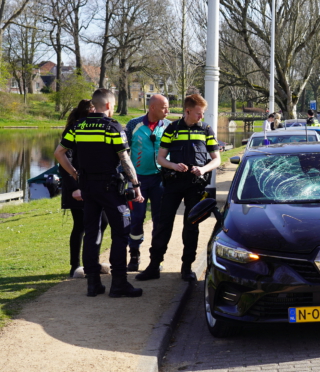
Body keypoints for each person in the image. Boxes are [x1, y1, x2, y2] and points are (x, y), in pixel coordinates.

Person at [54, 88, 144, 298]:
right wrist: (136, 184)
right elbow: (124, 158)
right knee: (121, 232)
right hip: (110, 188)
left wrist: (74, 173)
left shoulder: (78, 126)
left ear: (94, 105)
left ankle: (93, 284)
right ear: (110, 106)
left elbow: (59, 153)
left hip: (88, 188)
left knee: (92, 233)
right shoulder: (112, 127)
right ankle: (119, 283)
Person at [136, 94, 221, 282]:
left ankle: (187, 267)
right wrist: (174, 166)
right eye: (199, 113)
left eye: (203, 113)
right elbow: (160, 158)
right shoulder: (172, 129)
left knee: (191, 226)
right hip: (173, 184)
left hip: (195, 185)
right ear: (188, 111)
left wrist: (203, 169)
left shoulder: (206, 130)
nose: (201, 117)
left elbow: (217, 159)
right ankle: (154, 265)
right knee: (163, 225)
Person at [59, 100, 108, 278]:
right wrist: (74, 187)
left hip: (92, 184)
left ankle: (92, 262)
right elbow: (63, 161)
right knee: (80, 225)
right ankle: (75, 266)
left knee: (102, 222)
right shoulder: (73, 130)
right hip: (77, 188)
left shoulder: (93, 130)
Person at [124, 94, 170, 271]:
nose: (168, 110)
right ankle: (134, 255)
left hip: (160, 180)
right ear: (152, 108)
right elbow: (123, 153)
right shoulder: (133, 125)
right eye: (164, 107)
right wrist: (127, 177)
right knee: (136, 219)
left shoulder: (168, 126)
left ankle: (156, 258)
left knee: (160, 221)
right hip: (138, 181)